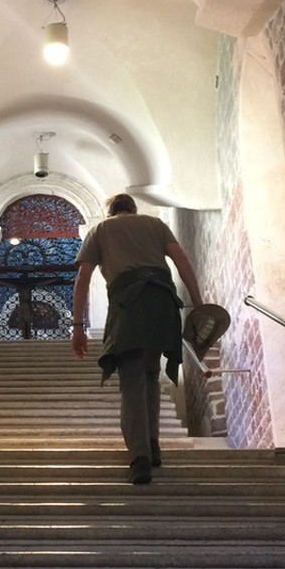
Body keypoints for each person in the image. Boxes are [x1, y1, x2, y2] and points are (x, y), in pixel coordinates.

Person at [71, 193, 205, 485]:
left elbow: (83, 277)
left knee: (131, 380)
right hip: (162, 303)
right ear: (133, 209)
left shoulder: (101, 230)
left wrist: (78, 325)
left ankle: (140, 458)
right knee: (150, 375)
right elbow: (181, 259)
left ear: (110, 212)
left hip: (129, 307)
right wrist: (199, 303)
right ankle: (152, 444)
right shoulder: (155, 224)